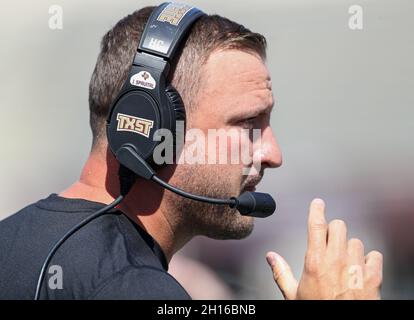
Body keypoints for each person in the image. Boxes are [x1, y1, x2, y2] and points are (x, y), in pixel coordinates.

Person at [0, 4, 382, 300]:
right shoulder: (134, 286)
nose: (272, 153)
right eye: (249, 124)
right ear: (150, 126)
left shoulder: (10, 240)